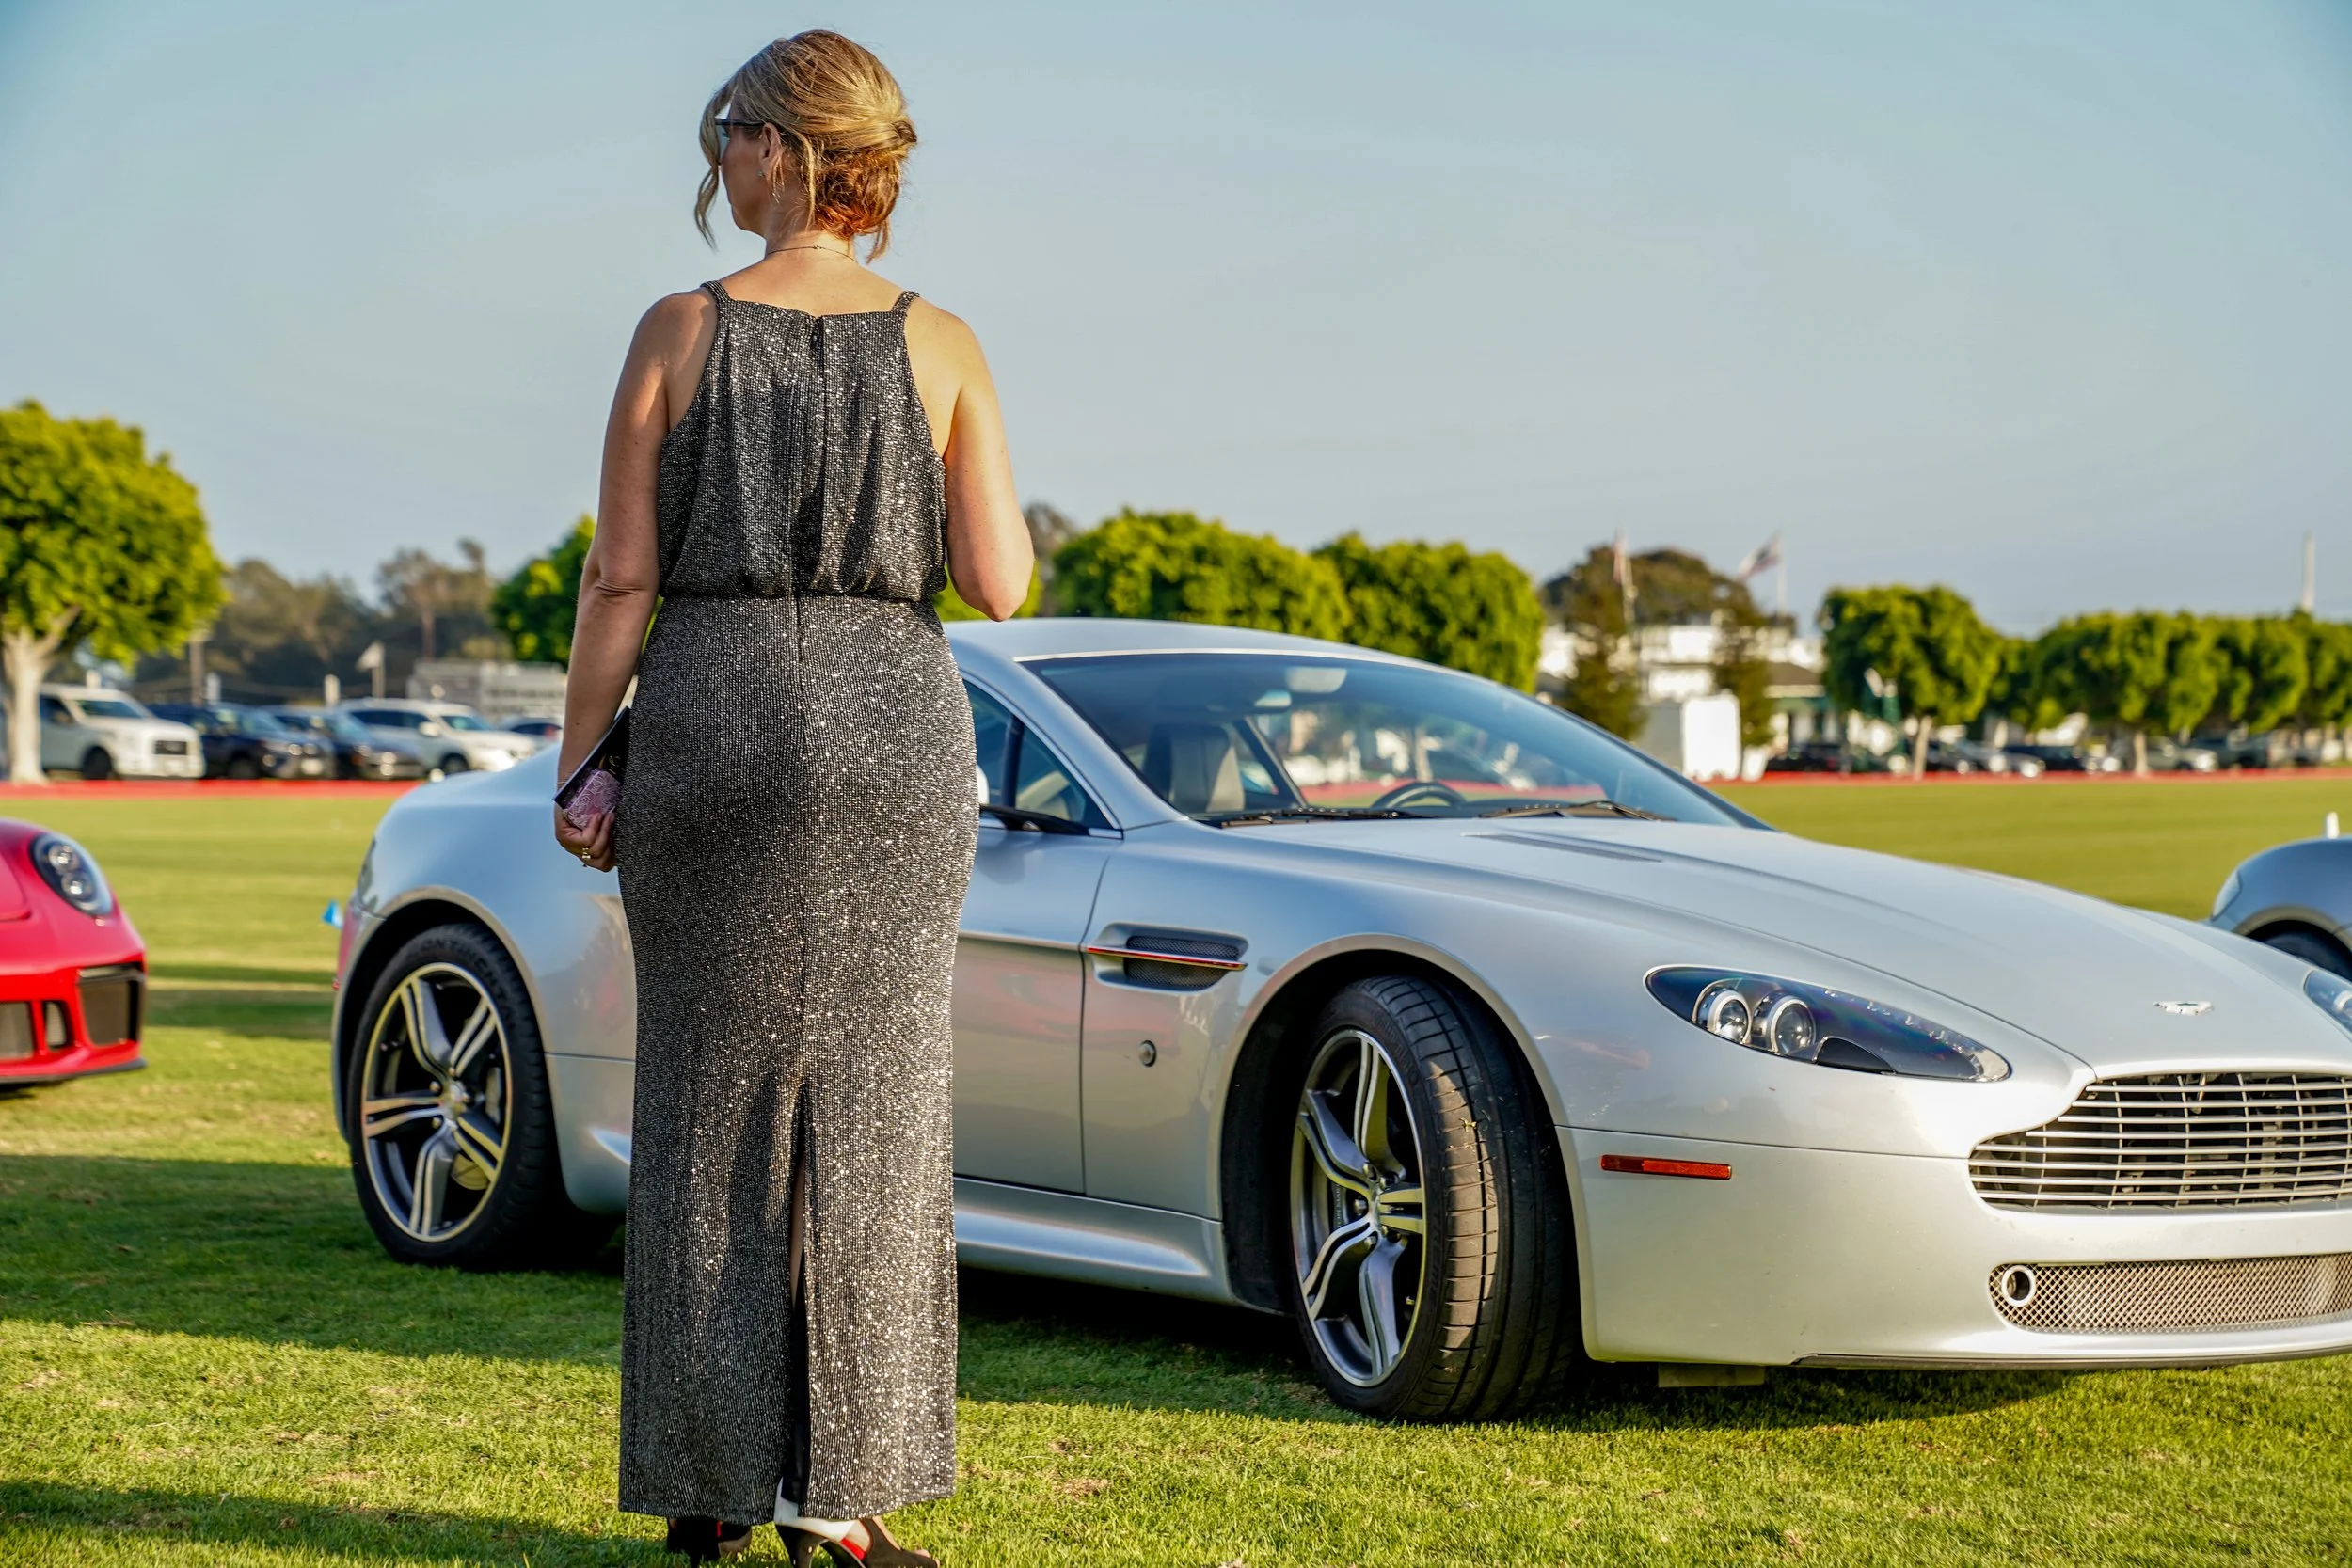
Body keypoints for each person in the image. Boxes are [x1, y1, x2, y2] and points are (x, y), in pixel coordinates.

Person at [552, 29, 1033, 1565]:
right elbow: (1000, 583)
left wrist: (584, 756)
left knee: (705, 1102)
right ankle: (846, 1494)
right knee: (883, 1112)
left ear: (782, 148)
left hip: (717, 702)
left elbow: (624, 574)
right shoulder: (944, 339)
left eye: (727, 135)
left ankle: (706, 1484)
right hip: (896, 720)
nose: (715, 162)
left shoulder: (677, 328)